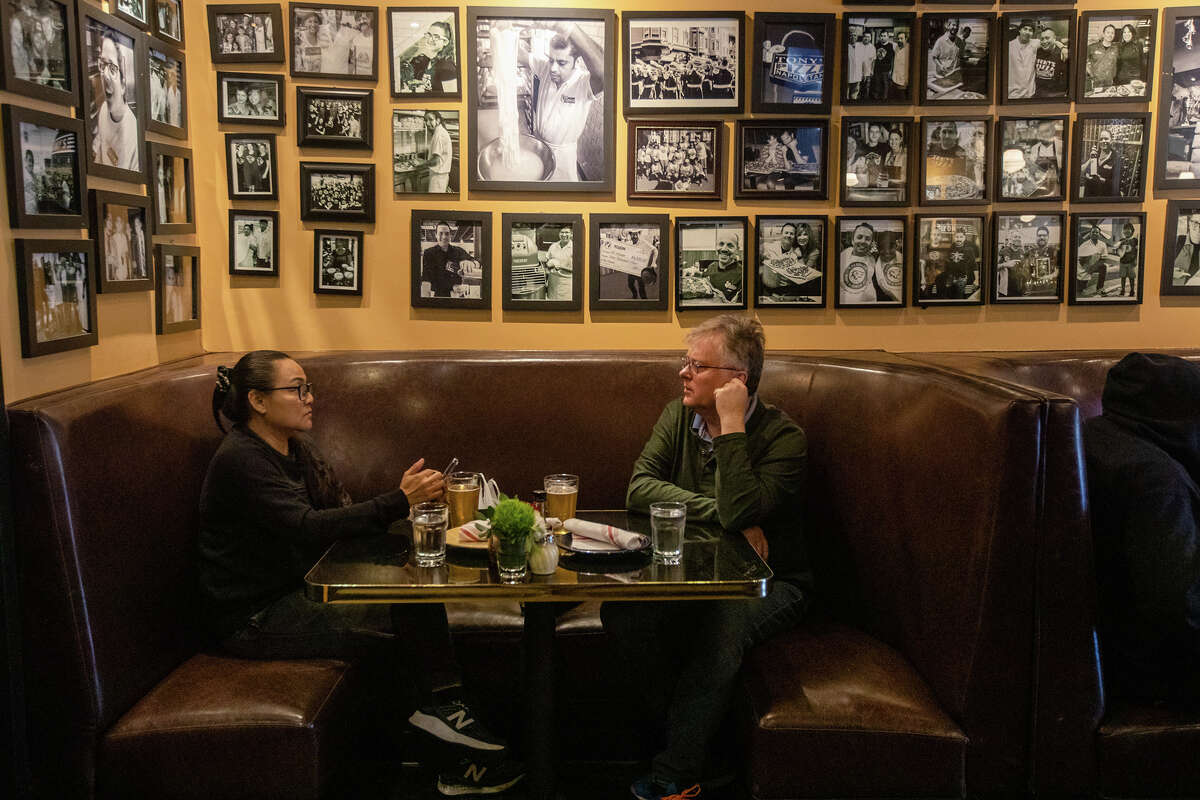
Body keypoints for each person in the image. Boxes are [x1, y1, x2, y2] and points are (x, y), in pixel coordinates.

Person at [200, 351, 525, 796]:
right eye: (297, 389)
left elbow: (338, 513)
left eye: (308, 387)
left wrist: (405, 510)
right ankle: (450, 730)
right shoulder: (242, 460)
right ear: (257, 400)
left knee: (416, 596)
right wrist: (398, 500)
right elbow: (306, 527)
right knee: (402, 617)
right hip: (256, 618)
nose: (309, 398)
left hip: (303, 592)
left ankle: (448, 713)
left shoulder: (297, 447)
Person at [602, 316, 811, 800]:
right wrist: (718, 512)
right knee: (622, 614)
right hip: (694, 575)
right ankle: (699, 748)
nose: (683, 373)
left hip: (773, 583)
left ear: (737, 380)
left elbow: (743, 508)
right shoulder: (677, 415)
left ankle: (677, 772)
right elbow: (639, 489)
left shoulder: (784, 439)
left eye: (697, 365)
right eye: (685, 362)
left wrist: (731, 426)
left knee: (723, 624)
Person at [1082, 353, 1200, 709]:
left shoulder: (1092, 436)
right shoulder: (1158, 485)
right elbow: (1179, 615)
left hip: (1107, 650)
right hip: (1150, 676)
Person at [514, 21, 604, 181]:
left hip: (563, 157)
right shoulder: (544, 68)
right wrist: (509, 31)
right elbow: (518, 55)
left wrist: (569, 28)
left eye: (562, 63)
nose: (553, 68)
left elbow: (604, 73)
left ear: (576, 63)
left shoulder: (583, 84)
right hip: (539, 148)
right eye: (551, 60)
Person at [93, 33, 139, 171]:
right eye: (103, 64)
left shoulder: (134, 137)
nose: (105, 75)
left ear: (124, 83)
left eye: (112, 68)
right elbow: (99, 159)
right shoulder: (103, 111)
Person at [421, 222, 472, 297]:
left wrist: (470, 263)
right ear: (436, 235)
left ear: (450, 235)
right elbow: (426, 280)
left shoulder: (458, 251)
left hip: (458, 296)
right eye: (440, 233)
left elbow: (477, 261)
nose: (444, 237)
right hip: (439, 296)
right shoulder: (429, 253)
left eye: (447, 233)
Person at [421, 110, 453, 193]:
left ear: (438, 120)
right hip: (441, 175)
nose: (427, 123)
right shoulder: (440, 131)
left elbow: (435, 161)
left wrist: (422, 164)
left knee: (434, 204)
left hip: (438, 177)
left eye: (430, 119)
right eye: (426, 120)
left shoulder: (439, 134)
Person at [1077, 224, 1113, 297]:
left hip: (1095, 265)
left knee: (1103, 267)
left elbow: (1103, 258)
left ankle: (1099, 288)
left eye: (1097, 232)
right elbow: (1080, 260)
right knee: (1080, 289)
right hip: (1084, 267)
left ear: (1099, 234)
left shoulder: (1102, 244)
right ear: (1090, 234)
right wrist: (1088, 268)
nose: (1095, 234)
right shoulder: (1084, 245)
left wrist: (1093, 267)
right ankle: (1081, 285)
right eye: (1093, 232)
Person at [1034, 26, 1070, 98]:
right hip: (1037, 94)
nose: (1044, 41)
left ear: (1054, 39)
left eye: (1047, 38)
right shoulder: (1037, 51)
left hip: (1055, 95)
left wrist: (1063, 47)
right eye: (1042, 39)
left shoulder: (1062, 53)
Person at [1081, 129, 1117, 198]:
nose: (1103, 141)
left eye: (1106, 139)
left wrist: (1102, 180)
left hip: (1104, 195)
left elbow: (1116, 184)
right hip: (1089, 193)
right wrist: (1090, 159)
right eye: (1101, 139)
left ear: (1111, 141)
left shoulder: (1116, 158)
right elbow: (1082, 170)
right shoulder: (1095, 153)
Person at [1008, 20, 1038, 99]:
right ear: (1019, 30)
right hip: (1012, 93)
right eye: (1025, 29)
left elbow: (1052, 41)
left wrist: (1062, 48)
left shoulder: (1035, 44)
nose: (1027, 32)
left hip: (1030, 93)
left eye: (1030, 30)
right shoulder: (1009, 46)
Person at [1087, 24, 1119, 93]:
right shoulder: (1092, 47)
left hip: (1109, 82)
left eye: (1112, 33)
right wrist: (1091, 74)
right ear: (1103, 34)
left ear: (1114, 35)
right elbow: (1083, 61)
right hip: (1096, 82)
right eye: (1108, 32)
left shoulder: (1116, 48)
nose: (1110, 35)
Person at [544, 226, 574, 300]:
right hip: (552, 282)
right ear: (559, 234)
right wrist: (549, 264)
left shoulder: (574, 247)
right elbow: (547, 262)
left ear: (571, 234)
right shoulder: (553, 246)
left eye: (566, 232)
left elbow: (577, 269)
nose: (564, 235)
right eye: (562, 232)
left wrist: (560, 266)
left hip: (566, 283)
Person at [1173, 213, 1200, 285]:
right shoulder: (1175, 241)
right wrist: (1170, 273)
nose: (1198, 228)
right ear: (1189, 224)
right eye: (1196, 223)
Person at [1117, 221, 1138, 297]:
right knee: (1123, 277)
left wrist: (1135, 259)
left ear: (1132, 231)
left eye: (1128, 229)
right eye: (1125, 229)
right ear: (1123, 231)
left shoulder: (1135, 240)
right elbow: (1118, 250)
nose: (1126, 231)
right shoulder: (1121, 241)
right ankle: (1122, 290)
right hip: (1122, 262)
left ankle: (1132, 290)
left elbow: (1137, 251)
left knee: (1131, 278)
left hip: (1131, 263)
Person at [891, 29, 909, 99]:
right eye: (898, 39)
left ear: (906, 39)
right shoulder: (896, 47)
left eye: (901, 38)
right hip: (894, 80)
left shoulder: (909, 49)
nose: (899, 40)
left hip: (903, 82)